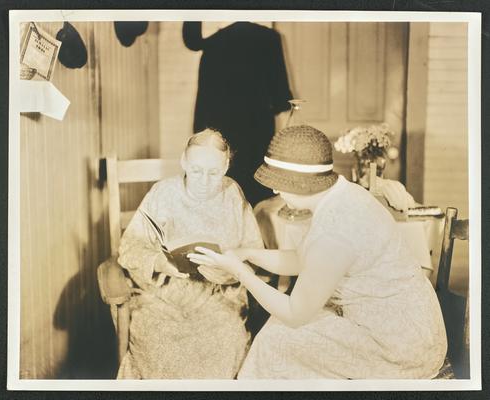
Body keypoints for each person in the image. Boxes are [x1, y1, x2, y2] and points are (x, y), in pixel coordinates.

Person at [189, 125, 448, 379]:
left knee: (276, 340)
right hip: (407, 323)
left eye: (279, 184)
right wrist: (247, 253)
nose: (275, 190)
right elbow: (304, 260)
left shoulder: (335, 230)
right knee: (276, 332)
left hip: (399, 347)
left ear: (302, 184)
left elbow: (294, 313)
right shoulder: (342, 194)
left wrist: (240, 272)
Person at [116, 129, 263, 379]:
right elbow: (130, 248)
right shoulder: (162, 193)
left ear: (226, 166)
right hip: (164, 297)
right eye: (196, 170)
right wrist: (160, 263)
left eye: (213, 172)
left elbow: (254, 252)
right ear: (184, 161)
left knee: (226, 340)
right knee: (157, 342)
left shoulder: (232, 194)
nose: (204, 181)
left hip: (218, 298)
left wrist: (228, 267)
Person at [182, 21, 293, 206]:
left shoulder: (215, 42)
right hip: (254, 128)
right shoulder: (268, 38)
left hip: (220, 128)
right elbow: (281, 98)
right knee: (252, 194)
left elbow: (191, 41)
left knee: (216, 193)